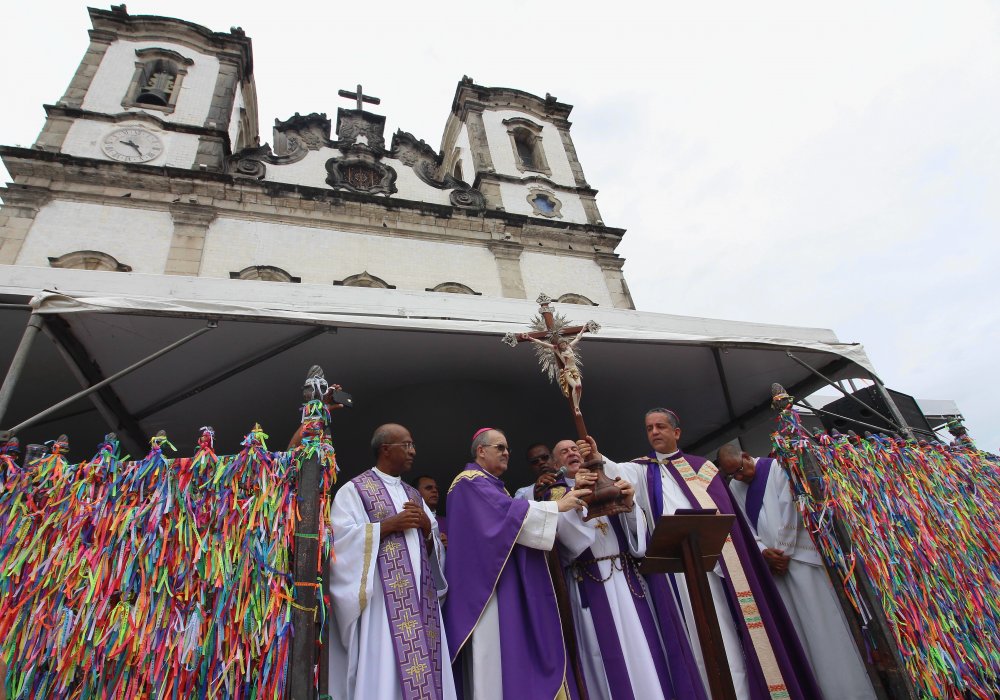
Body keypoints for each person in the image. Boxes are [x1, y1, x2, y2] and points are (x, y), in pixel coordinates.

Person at [598, 408, 822, 700]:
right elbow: (614, 470)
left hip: (715, 569)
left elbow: (732, 524)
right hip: (677, 574)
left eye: (660, 426)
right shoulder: (643, 469)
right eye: (649, 428)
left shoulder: (703, 469)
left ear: (676, 432)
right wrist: (595, 454)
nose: (654, 432)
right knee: (697, 648)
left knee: (729, 639)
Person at [717, 445, 877, 700]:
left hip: (800, 561)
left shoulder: (777, 469)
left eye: (739, 470)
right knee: (801, 637)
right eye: (731, 475)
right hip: (775, 569)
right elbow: (744, 527)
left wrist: (781, 552)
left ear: (747, 456)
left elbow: (792, 509)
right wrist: (761, 552)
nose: (739, 477)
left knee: (824, 627)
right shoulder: (735, 488)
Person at [443, 428, 590, 699]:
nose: (507, 452)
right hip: (487, 590)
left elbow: (510, 518)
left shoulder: (491, 485)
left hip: (497, 582)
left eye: (507, 448)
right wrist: (556, 507)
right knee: (492, 657)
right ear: (481, 451)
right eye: (500, 447)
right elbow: (505, 516)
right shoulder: (470, 481)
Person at [548, 438, 697, 700]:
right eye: (563, 452)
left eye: (574, 449)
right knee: (605, 657)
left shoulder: (607, 480)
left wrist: (629, 505)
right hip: (591, 583)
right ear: (556, 463)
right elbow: (570, 545)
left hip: (629, 580)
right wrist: (576, 498)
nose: (571, 453)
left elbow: (638, 540)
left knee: (646, 650)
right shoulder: (557, 495)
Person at [327, 424, 456, 700]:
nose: (413, 451)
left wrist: (425, 529)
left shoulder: (413, 495)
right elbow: (339, 542)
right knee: (385, 664)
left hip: (421, 602)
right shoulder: (355, 490)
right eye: (406, 445)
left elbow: (433, 553)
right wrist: (385, 526)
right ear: (386, 449)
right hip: (383, 605)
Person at [414, 474, 448, 545]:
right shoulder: (410, 521)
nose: (435, 491)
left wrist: (450, 545)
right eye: (429, 488)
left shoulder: (448, 523)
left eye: (436, 489)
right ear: (415, 492)